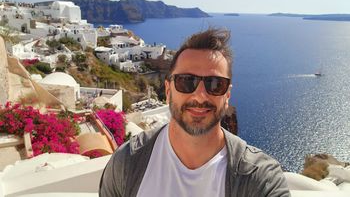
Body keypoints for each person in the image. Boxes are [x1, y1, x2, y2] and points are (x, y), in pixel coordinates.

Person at [99, 28, 290, 197]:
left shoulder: (259, 178)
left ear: (227, 95)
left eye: (215, 84)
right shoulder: (127, 162)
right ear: (167, 90)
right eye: (186, 81)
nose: (200, 96)